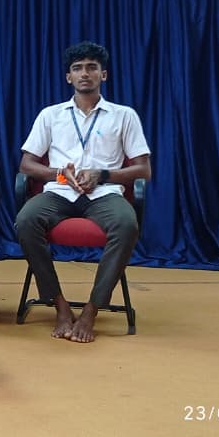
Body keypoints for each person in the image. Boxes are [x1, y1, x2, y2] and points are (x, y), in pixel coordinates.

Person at [15, 41, 151, 343]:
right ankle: (60, 306)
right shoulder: (51, 115)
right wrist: (59, 173)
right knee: (26, 220)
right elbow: (27, 164)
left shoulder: (123, 115)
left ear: (104, 75)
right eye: (77, 68)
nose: (84, 73)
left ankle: (91, 310)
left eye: (92, 67)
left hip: (104, 193)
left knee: (126, 224)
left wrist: (103, 174)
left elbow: (144, 170)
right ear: (69, 77)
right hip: (60, 191)